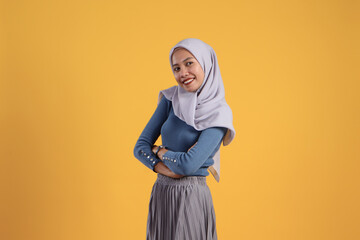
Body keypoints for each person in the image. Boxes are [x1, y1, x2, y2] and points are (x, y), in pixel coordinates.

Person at [133, 38, 235, 240]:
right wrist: (168, 169)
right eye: (176, 68)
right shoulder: (170, 100)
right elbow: (139, 147)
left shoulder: (218, 114)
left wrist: (158, 151)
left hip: (191, 195)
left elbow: (187, 167)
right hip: (162, 191)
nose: (183, 73)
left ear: (205, 63)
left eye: (189, 63)